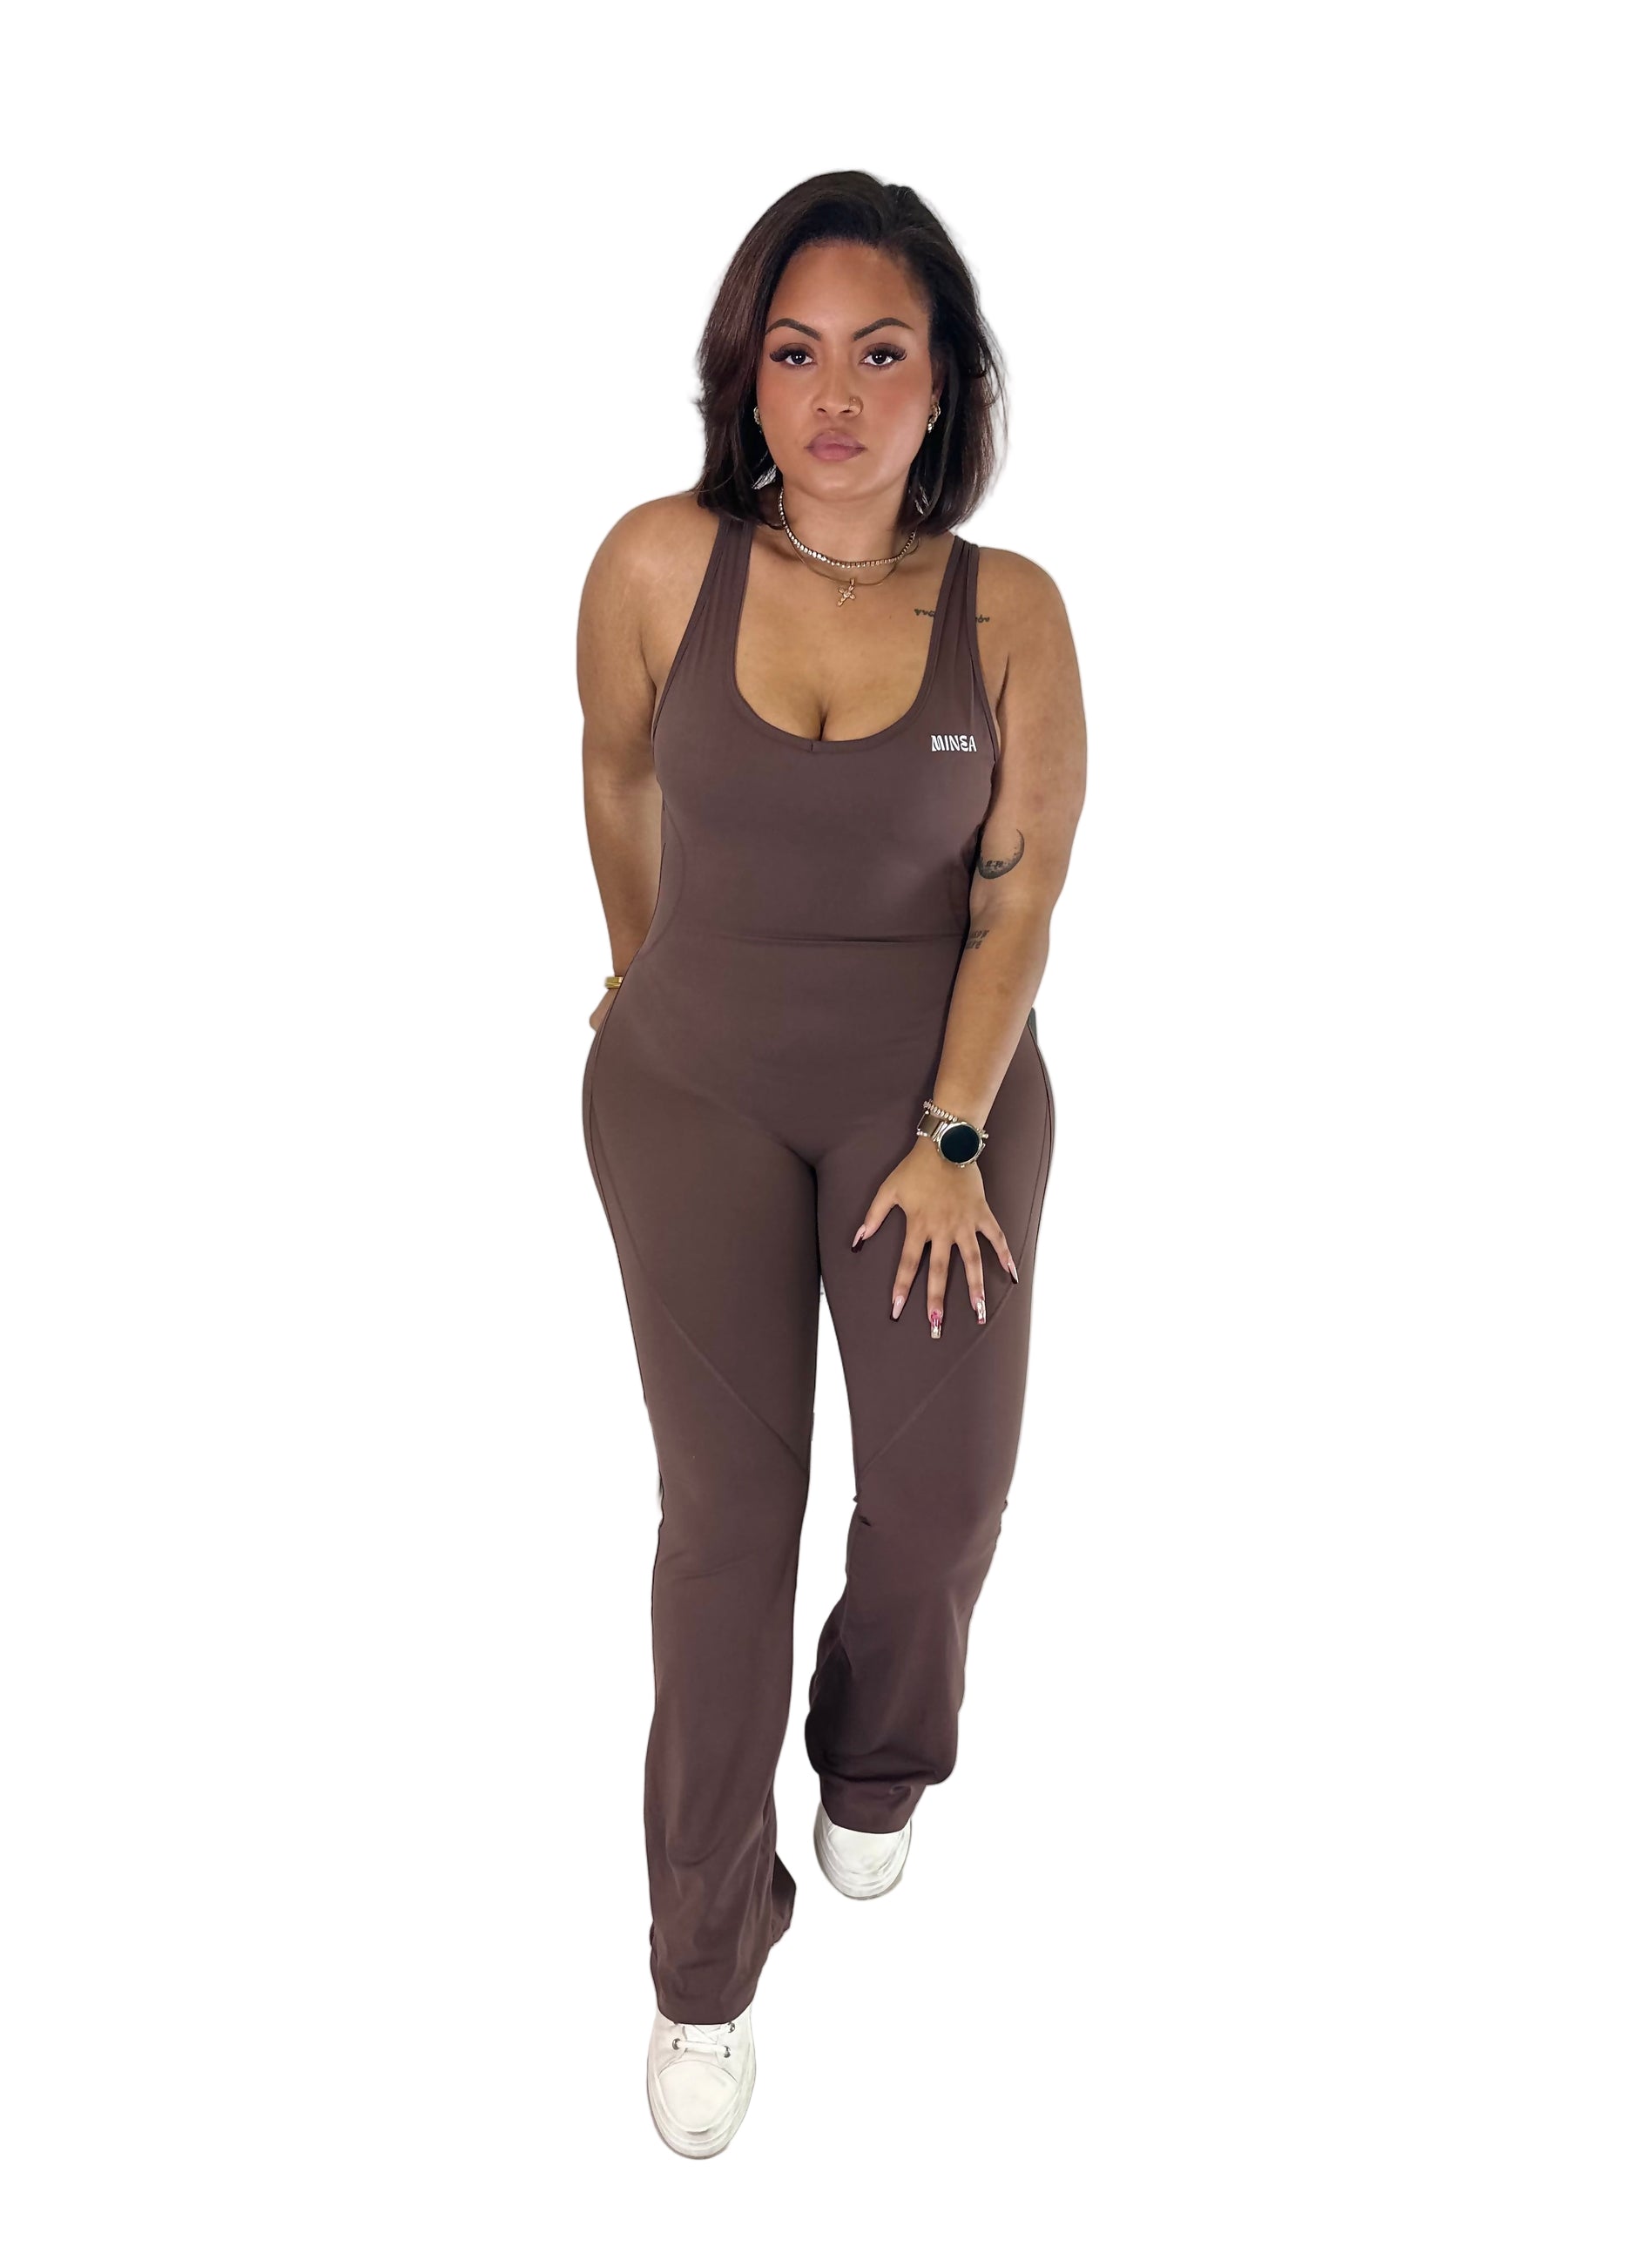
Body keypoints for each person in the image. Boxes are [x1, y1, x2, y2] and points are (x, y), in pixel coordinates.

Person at [577, 171, 1088, 2157]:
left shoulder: (1009, 609)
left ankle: (874, 1756)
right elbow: (620, 767)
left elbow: (1018, 900)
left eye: (882, 353)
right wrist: (643, 979)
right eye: (796, 354)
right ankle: (702, 1959)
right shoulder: (656, 563)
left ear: (946, 382)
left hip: (935, 1095)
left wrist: (953, 1129)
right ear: (747, 377)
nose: (837, 397)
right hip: (692, 1089)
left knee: (939, 1502)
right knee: (725, 1524)